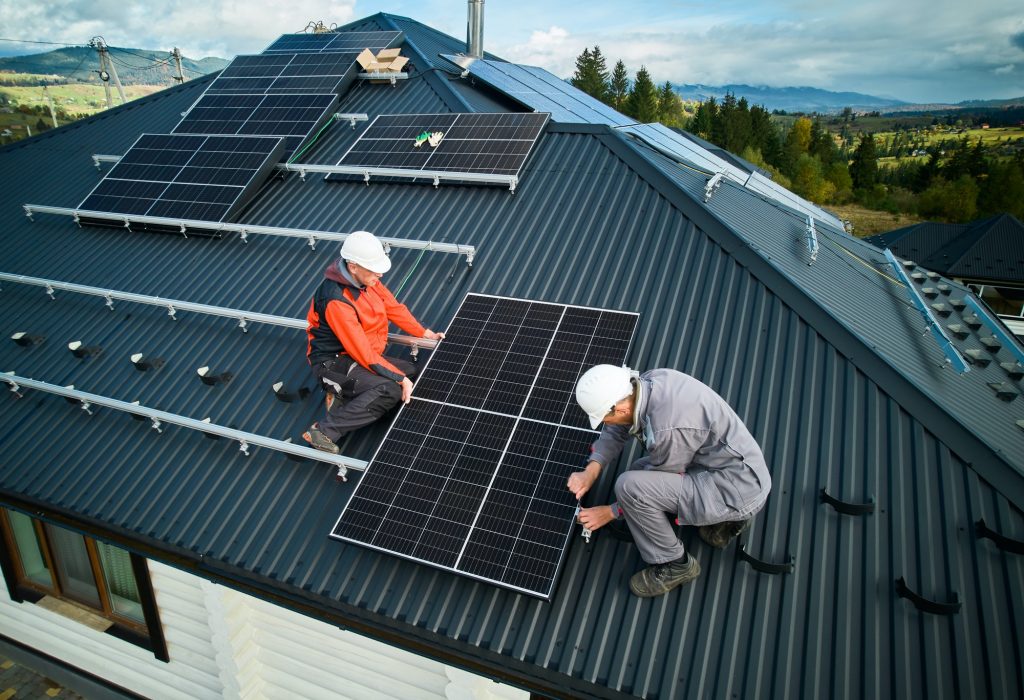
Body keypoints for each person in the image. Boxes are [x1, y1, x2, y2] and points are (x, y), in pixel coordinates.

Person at [567, 365, 771, 598]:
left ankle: (676, 564)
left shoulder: (667, 428)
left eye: (604, 417)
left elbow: (655, 482)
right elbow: (617, 428)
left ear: (620, 408)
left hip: (737, 489)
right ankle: (726, 522)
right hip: (735, 468)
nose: (605, 422)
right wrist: (592, 470)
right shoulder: (646, 383)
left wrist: (610, 512)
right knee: (637, 473)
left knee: (629, 486)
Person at [303, 230, 444, 454]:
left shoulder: (368, 279)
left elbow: (392, 308)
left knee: (410, 370)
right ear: (353, 267)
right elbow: (363, 353)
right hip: (333, 362)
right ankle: (324, 431)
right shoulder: (336, 300)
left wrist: (423, 332)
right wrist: (399, 380)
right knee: (391, 389)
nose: (379, 274)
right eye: (374, 269)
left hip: (356, 356)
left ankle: (344, 393)